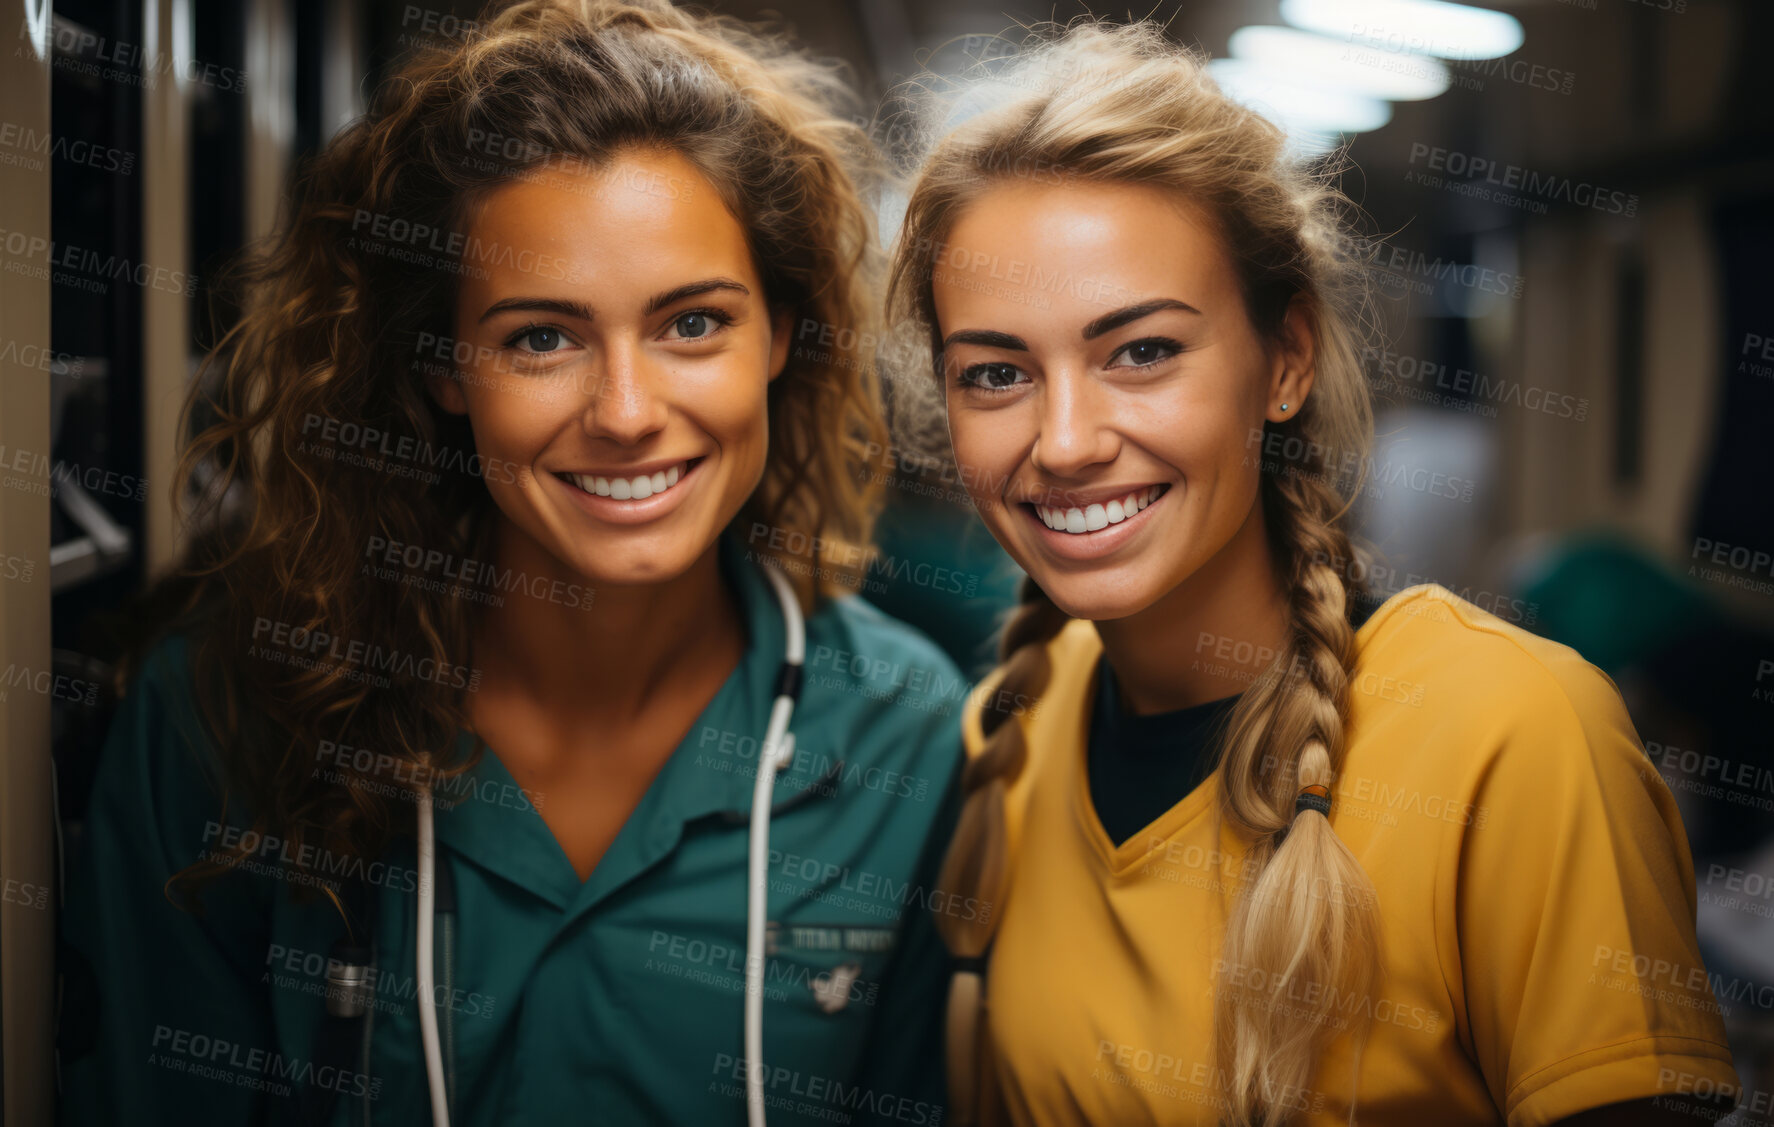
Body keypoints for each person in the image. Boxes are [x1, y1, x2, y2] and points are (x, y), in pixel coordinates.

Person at [59, 3, 961, 1124]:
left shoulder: (906, 735)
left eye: (693, 323)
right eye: (541, 337)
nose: (627, 413)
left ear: (779, 333)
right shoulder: (230, 708)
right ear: (442, 367)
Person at [885, 21, 1741, 1127]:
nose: (1062, 441)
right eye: (996, 372)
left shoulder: (1511, 736)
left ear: (1283, 360)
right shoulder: (1011, 739)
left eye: (1140, 351)